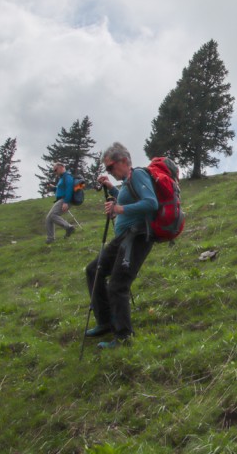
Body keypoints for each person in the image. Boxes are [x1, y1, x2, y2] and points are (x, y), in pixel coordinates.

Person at [85, 142, 159, 349]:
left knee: (118, 284)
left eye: (110, 167)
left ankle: (124, 336)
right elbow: (129, 201)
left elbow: (151, 203)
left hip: (137, 236)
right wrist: (112, 189)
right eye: (107, 168)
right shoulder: (127, 181)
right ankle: (106, 322)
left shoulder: (138, 175)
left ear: (124, 161)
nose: (109, 171)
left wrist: (118, 209)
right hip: (124, 237)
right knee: (94, 270)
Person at [44, 162, 76, 244]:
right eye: (53, 171)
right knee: (48, 218)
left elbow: (69, 189)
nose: (55, 172)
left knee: (52, 215)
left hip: (64, 199)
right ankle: (50, 238)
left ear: (62, 167)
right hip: (61, 199)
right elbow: (60, 189)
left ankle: (69, 227)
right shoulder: (62, 178)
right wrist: (53, 188)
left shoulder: (67, 177)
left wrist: (66, 202)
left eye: (55, 170)